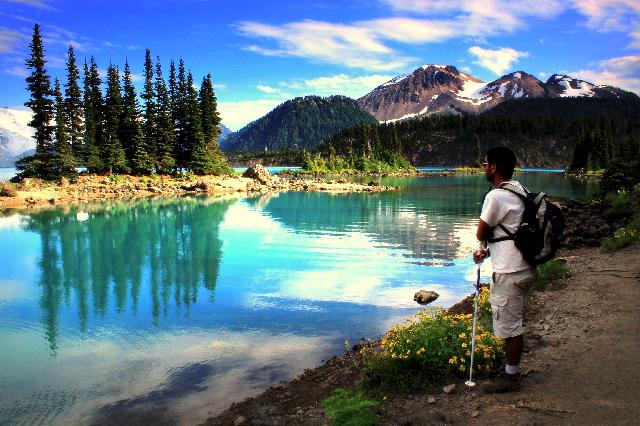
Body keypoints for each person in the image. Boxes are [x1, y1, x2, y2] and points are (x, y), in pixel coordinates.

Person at [473, 146, 537, 393]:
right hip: (526, 266)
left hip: (510, 271)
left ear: (494, 167)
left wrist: (482, 245)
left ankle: (511, 376)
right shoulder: (520, 189)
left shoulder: (496, 196)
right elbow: (510, 232)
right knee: (513, 322)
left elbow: (481, 231)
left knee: (509, 326)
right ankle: (510, 367)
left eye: (485, 162)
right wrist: (487, 251)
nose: (483, 167)